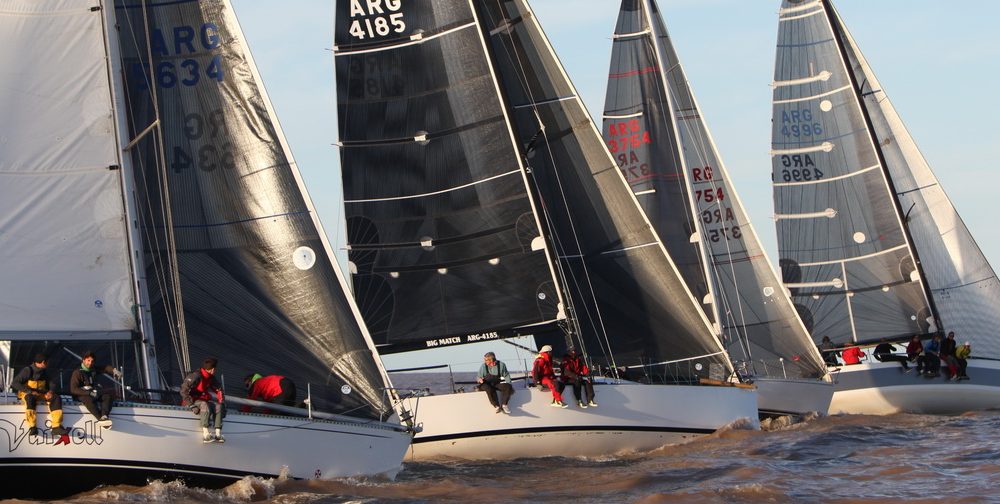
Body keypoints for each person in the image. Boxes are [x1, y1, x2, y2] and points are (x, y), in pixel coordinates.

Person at [12, 354, 68, 436]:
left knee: (56, 398)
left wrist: (50, 392)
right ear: (43, 362)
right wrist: (30, 391)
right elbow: (15, 383)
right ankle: (32, 426)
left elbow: (52, 383)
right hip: (28, 393)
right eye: (47, 362)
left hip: (40, 394)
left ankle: (56, 426)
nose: (48, 364)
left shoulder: (45, 371)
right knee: (30, 398)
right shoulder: (28, 370)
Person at [69, 351, 120, 429]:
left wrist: (114, 371)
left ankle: (104, 416)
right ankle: (100, 419)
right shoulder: (77, 372)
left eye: (92, 361)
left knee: (107, 396)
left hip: (94, 393)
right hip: (82, 394)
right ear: (83, 360)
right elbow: (73, 389)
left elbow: (105, 368)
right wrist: (89, 393)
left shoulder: (93, 369)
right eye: (88, 360)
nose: (90, 363)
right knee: (88, 400)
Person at [180, 357, 226, 443]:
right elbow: (183, 390)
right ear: (212, 369)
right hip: (192, 400)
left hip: (203, 399)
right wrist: (191, 405)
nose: (215, 370)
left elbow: (219, 390)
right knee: (205, 405)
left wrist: (222, 403)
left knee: (218, 406)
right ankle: (206, 434)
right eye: (214, 369)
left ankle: (218, 434)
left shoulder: (211, 378)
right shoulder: (196, 375)